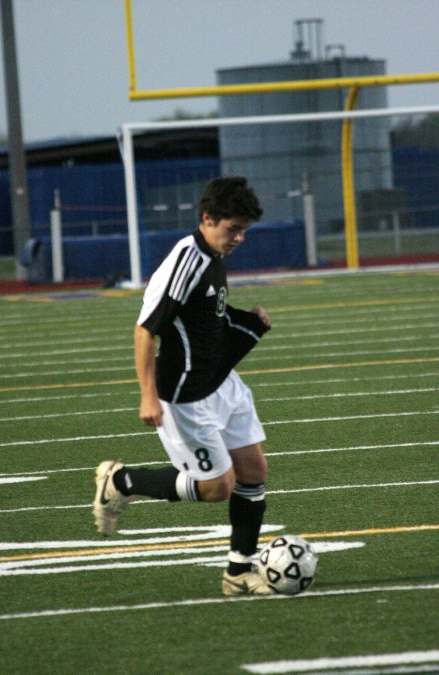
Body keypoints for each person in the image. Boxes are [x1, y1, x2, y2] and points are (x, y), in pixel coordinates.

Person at [93, 176, 273, 596]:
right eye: (233, 229)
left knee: (253, 472)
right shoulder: (185, 263)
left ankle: (239, 572)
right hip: (185, 397)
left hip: (222, 383)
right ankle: (122, 482)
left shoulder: (213, 253)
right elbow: (144, 332)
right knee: (216, 488)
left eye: (245, 230)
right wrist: (147, 395)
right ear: (207, 218)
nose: (240, 238)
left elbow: (204, 319)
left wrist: (247, 322)